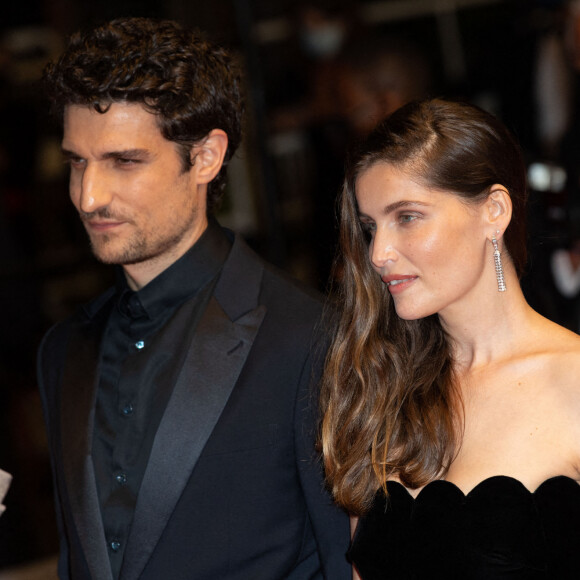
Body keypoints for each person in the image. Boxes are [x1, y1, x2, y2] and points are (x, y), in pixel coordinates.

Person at [37, 17, 350, 580]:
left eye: (124, 161)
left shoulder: (309, 339)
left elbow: (345, 558)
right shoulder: (63, 351)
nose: (88, 195)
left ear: (205, 157)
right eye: (76, 161)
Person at [320, 98, 580, 579]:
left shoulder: (573, 380)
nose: (379, 253)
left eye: (408, 217)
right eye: (370, 227)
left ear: (494, 211)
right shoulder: (379, 386)